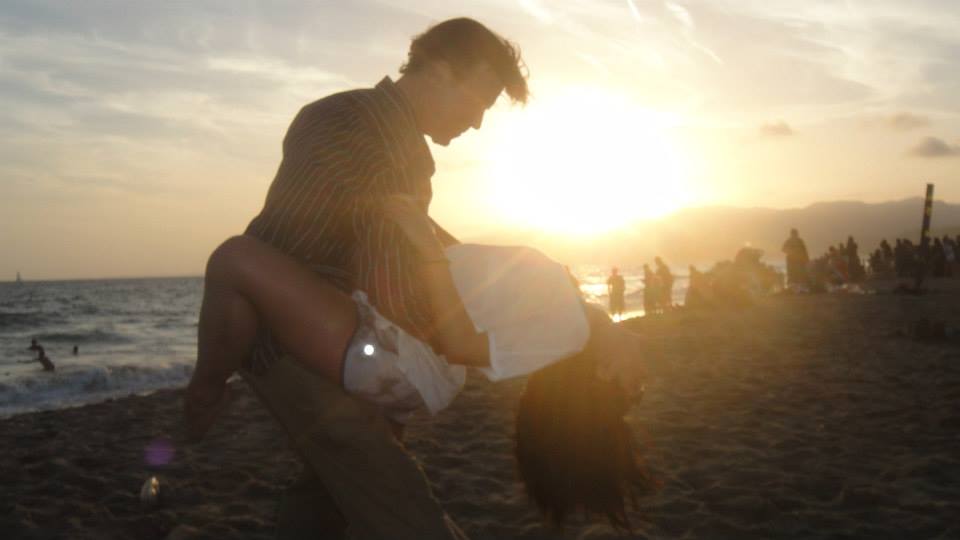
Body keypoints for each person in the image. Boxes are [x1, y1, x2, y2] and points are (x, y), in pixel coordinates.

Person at [184, 18, 649, 538]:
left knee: (330, 492)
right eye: (480, 101)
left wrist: (583, 319)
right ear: (442, 69)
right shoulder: (355, 123)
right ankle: (203, 394)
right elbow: (389, 266)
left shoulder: (394, 141)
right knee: (395, 502)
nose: (476, 122)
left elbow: (417, 245)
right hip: (306, 346)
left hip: (337, 336)